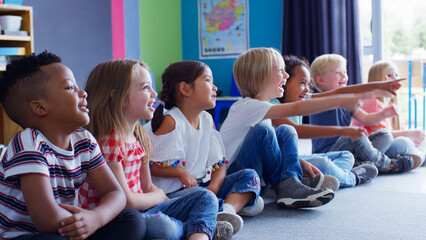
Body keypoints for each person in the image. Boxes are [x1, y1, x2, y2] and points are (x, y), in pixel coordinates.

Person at [0, 51, 146, 239]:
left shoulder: (84, 140)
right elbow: (46, 219)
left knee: (131, 220)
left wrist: (96, 218)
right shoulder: (27, 144)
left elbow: (115, 193)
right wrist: (84, 223)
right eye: (70, 87)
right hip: (26, 235)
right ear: (40, 107)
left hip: (72, 228)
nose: (83, 92)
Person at [79, 59, 227, 240]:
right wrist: (160, 197)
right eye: (145, 87)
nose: (154, 93)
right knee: (164, 228)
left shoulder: (139, 136)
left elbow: (148, 186)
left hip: (146, 208)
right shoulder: (110, 143)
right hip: (120, 219)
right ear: (118, 96)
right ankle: (194, 226)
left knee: (206, 197)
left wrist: (164, 199)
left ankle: (197, 233)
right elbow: (127, 202)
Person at [219, 47, 365, 208]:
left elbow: (274, 149)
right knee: (264, 131)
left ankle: (290, 184)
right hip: (237, 177)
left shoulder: (262, 108)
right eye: (281, 71)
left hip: (259, 177)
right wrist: (341, 103)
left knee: (285, 131)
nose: (286, 76)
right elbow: (296, 109)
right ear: (263, 75)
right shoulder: (247, 106)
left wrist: (298, 161)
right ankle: (292, 185)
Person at [144, 60, 261, 238]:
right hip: (174, 194)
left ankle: (226, 211)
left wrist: (213, 187)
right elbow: (149, 165)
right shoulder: (171, 121)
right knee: (245, 201)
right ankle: (214, 213)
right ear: (185, 89)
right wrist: (180, 173)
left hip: (201, 188)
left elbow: (219, 164)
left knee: (249, 176)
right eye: (207, 81)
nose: (215, 87)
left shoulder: (207, 120)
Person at [271, 55, 379, 187]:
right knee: (323, 163)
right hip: (280, 163)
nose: (306, 89)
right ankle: (352, 177)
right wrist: (344, 130)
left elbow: (335, 94)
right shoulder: (273, 105)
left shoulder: (302, 98)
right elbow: (296, 130)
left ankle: (324, 178)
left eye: (308, 84)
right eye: (302, 83)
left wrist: (374, 88)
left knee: (346, 156)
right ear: (285, 81)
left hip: (296, 159)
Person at [309, 53, 419, 173]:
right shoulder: (319, 100)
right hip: (328, 153)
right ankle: (388, 164)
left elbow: (366, 118)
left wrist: (384, 114)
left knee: (385, 135)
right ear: (321, 80)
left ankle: (362, 163)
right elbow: (337, 99)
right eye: (338, 73)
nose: (344, 76)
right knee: (354, 134)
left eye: (345, 72)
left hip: (348, 150)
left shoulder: (346, 101)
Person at [351, 60, 425, 166]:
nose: (395, 79)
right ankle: (418, 157)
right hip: (372, 148)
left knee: (420, 139)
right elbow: (382, 136)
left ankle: (415, 157)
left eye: (396, 75)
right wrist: (410, 133)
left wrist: (413, 135)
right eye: (389, 75)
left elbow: (396, 131)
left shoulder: (390, 103)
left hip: (385, 147)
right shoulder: (373, 102)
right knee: (405, 143)